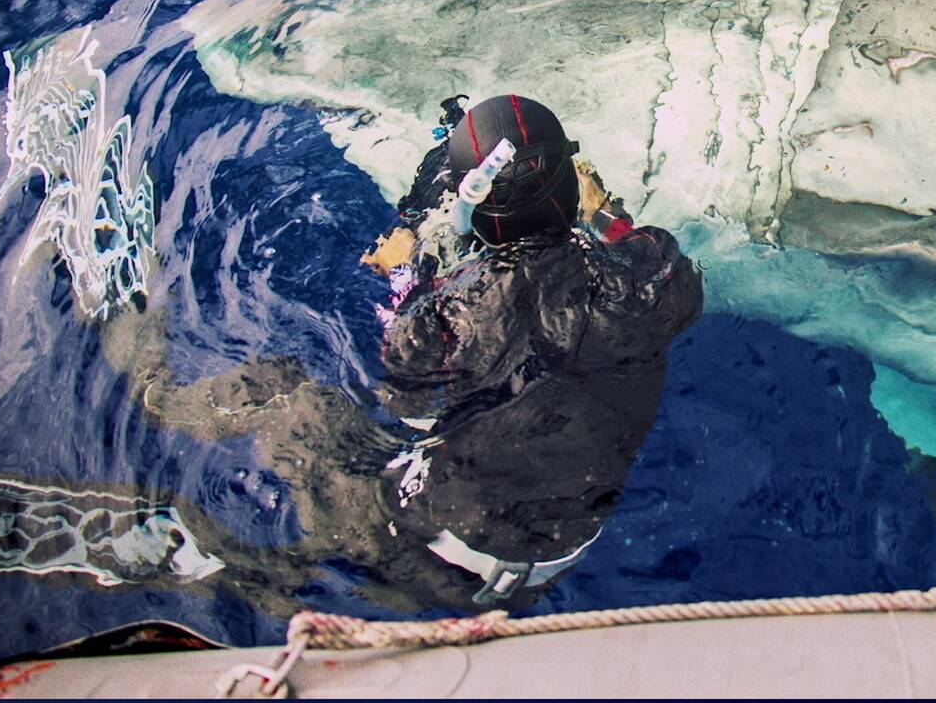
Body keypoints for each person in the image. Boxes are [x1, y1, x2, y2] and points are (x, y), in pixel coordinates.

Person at [91, 93, 701, 614]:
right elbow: (621, 256)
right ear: (575, 188)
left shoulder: (446, 316)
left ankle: (158, 401)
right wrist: (601, 214)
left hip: (443, 557)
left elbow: (410, 403)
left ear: (480, 218)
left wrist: (407, 263)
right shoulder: (653, 275)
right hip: (562, 553)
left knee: (281, 391)